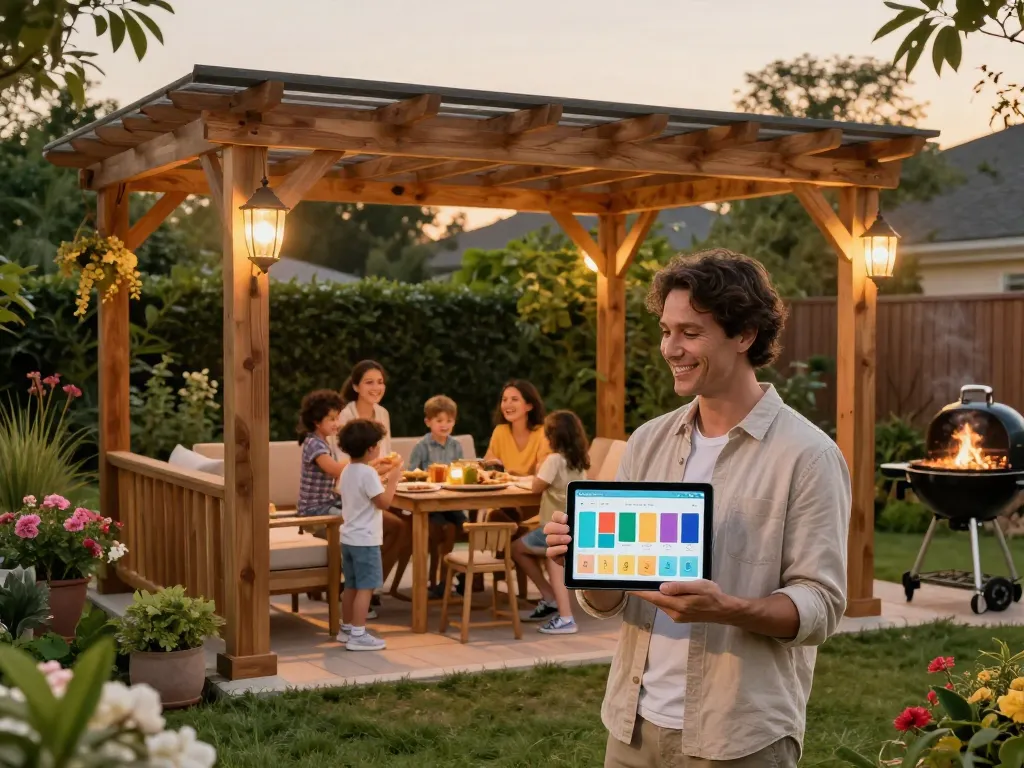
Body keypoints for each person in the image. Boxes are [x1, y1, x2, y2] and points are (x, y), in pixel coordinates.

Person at [544, 248, 851, 768]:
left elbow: (820, 606)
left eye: (690, 332)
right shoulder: (647, 442)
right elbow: (610, 598)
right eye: (666, 330)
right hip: (632, 726)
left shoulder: (809, 455)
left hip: (739, 737)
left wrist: (727, 608)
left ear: (745, 335)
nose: (671, 348)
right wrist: (584, 560)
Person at [512, 409, 589, 633]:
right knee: (550, 559)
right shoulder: (579, 461)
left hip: (554, 526)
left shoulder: (553, 459)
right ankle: (553, 603)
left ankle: (563, 614)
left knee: (517, 548)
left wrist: (537, 471)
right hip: (572, 523)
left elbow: (537, 486)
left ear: (553, 436)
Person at [338, 360, 407, 601]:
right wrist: (382, 471)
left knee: (417, 521)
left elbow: (383, 455)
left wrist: (390, 468)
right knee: (398, 526)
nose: (376, 387)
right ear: (356, 386)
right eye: (369, 382)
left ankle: (369, 585)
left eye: (380, 382)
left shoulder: (383, 413)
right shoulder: (344, 416)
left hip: (375, 483)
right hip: (349, 494)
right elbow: (347, 462)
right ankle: (367, 588)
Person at [336, 418, 403, 651]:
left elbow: (362, 493)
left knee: (351, 586)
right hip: (366, 541)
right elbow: (383, 502)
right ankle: (358, 634)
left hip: (348, 538)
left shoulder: (348, 470)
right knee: (366, 587)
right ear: (371, 448)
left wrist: (381, 478)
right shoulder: (367, 473)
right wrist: (393, 480)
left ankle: (346, 629)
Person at [408, 395, 468, 598]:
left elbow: (460, 471)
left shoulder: (456, 445)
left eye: (449, 421)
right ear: (428, 422)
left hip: (452, 503)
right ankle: (443, 579)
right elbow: (411, 475)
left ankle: (463, 574)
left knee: (467, 527)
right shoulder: (422, 446)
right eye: (439, 421)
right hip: (431, 506)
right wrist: (426, 477)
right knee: (445, 530)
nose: (445, 425)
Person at [484, 380, 551, 529]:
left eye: (514, 399)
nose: (507, 404)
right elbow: (488, 467)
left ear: (529, 406)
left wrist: (512, 477)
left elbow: (543, 475)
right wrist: (490, 467)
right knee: (498, 512)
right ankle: (511, 528)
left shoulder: (542, 433)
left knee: (501, 517)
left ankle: (512, 527)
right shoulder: (500, 432)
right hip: (504, 498)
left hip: (533, 499)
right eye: (504, 400)